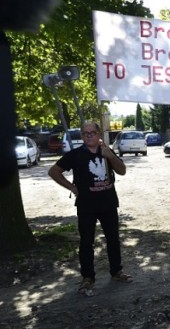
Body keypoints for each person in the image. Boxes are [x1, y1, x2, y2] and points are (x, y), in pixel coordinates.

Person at [48, 121, 131, 295]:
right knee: (86, 242)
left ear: (99, 134)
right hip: (86, 206)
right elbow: (54, 171)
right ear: (82, 136)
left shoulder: (107, 151)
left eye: (92, 132)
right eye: (85, 133)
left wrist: (110, 156)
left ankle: (116, 272)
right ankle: (88, 278)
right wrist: (71, 187)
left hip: (108, 203)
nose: (89, 136)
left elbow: (122, 170)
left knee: (113, 239)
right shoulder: (76, 155)